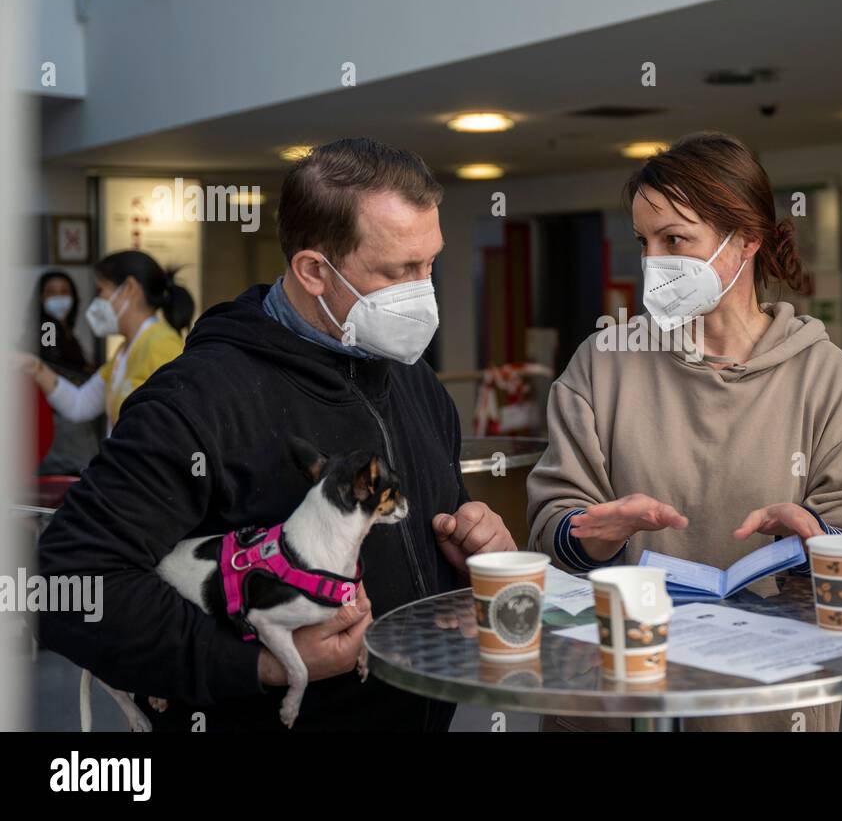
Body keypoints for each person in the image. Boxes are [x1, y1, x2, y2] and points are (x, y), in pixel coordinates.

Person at [39, 138, 515, 732]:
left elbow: (406, 540)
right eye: (400, 272)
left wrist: (473, 548)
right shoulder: (197, 401)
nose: (424, 292)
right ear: (314, 271)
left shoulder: (414, 381)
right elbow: (70, 581)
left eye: (430, 264)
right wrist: (260, 663)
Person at [527, 131, 842, 732]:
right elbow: (551, 524)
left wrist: (816, 540)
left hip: (768, 696)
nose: (654, 262)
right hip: (623, 694)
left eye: (676, 240)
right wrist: (594, 532)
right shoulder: (603, 361)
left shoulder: (824, 374)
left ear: (746, 240)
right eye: (644, 242)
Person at [23, 252, 190, 436]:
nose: (97, 301)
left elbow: (175, 430)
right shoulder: (124, 351)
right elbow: (80, 405)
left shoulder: (162, 345)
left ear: (129, 289)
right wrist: (36, 368)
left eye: (101, 290)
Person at [27, 270, 99, 474]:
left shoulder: (64, 329)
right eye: (51, 292)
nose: (59, 298)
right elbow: (49, 363)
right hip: (60, 421)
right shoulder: (48, 327)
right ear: (41, 298)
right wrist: (85, 376)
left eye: (64, 291)